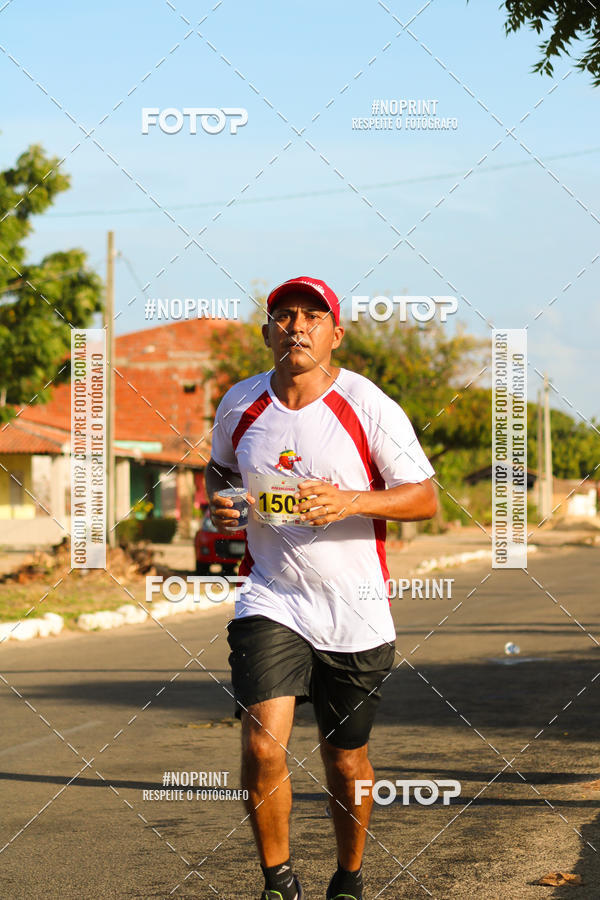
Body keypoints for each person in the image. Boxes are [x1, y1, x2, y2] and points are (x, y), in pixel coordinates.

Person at [205, 276, 437, 900]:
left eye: (313, 316)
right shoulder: (242, 404)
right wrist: (222, 505)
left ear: (335, 334)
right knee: (261, 740)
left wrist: (349, 501)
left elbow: (425, 498)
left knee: (345, 760)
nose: (297, 327)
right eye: (284, 316)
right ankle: (278, 881)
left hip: (354, 609)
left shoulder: (367, 405)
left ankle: (349, 878)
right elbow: (221, 472)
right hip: (271, 596)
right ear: (267, 333)